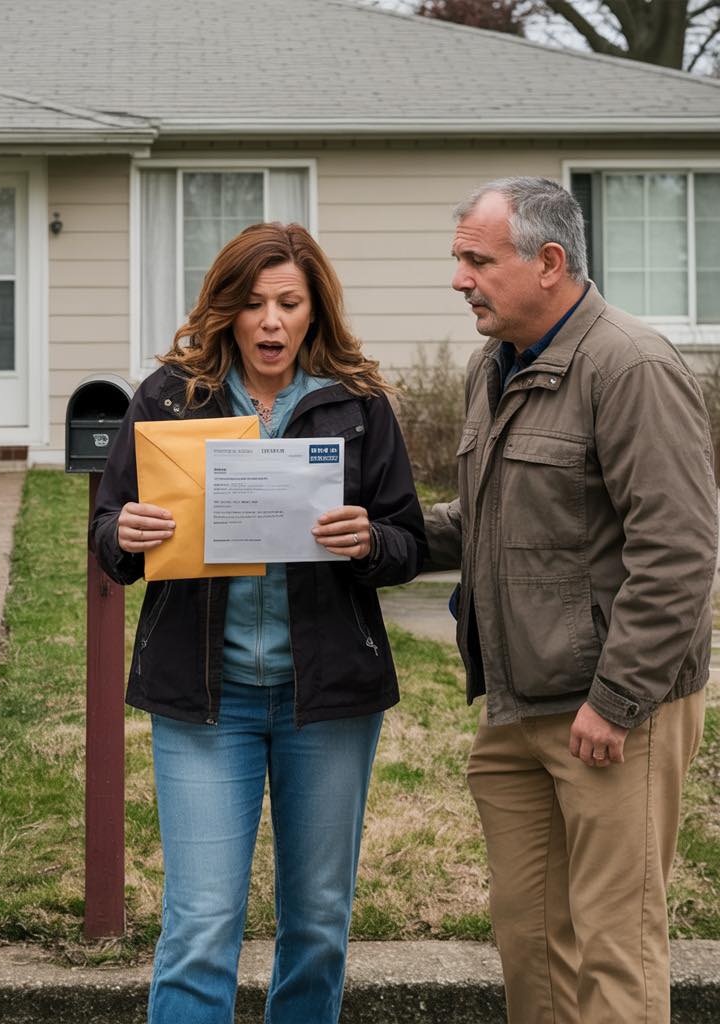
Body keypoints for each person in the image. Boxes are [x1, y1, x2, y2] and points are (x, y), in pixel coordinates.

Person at [90, 222, 425, 1024]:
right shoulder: (171, 397)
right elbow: (109, 531)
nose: (271, 321)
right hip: (209, 703)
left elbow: (407, 539)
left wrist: (370, 541)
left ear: (315, 312)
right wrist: (123, 536)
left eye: (289, 303)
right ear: (226, 311)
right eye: (253, 304)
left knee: (316, 925)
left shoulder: (358, 404)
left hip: (329, 704)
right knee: (201, 926)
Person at [426, 177, 716, 1023]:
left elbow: (679, 553)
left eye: (477, 260)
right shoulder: (496, 364)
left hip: (612, 715)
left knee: (613, 946)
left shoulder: (631, 366)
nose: (460, 280)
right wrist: (377, 539)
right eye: (459, 261)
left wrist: (617, 700)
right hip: (517, 711)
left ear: (549, 262)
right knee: (531, 944)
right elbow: (483, 517)